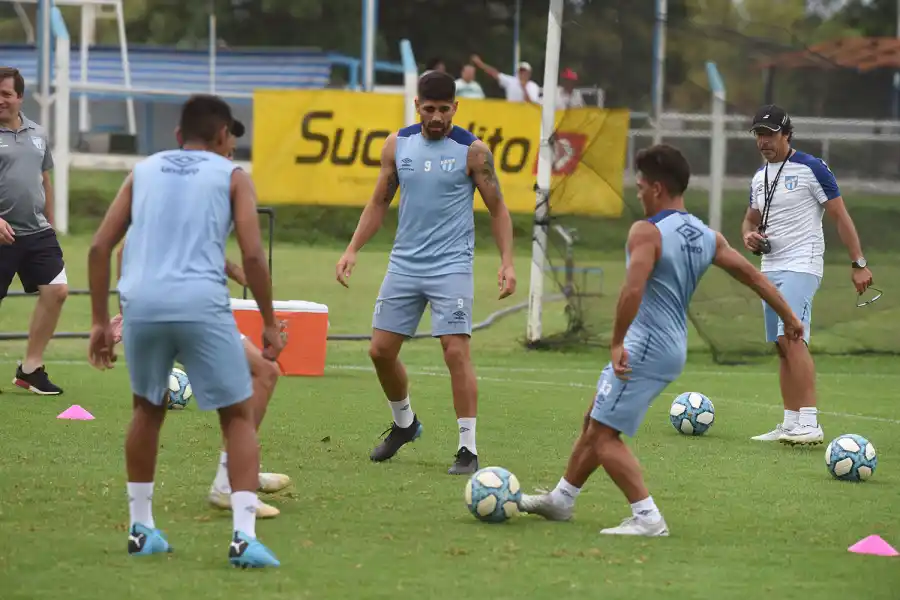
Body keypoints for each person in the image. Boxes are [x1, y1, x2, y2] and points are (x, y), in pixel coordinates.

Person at [519, 144, 803, 537]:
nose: (637, 194)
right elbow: (754, 277)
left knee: (604, 436)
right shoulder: (707, 236)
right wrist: (790, 316)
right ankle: (562, 499)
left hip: (645, 345)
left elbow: (631, 290)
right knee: (594, 419)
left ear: (655, 187)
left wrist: (617, 342)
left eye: (639, 187)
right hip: (670, 346)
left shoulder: (646, 232)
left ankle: (648, 518)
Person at [87, 94, 284, 568]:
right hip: (200, 303)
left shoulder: (144, 171)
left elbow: (99, 247)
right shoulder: (232, 175)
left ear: (178, 135)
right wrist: (270, 321)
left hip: (142, 303)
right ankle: (242, 537)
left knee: (147, 410)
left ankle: (141, 529)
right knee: (237, 415)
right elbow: (255, 256)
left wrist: (98, 321)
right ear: (223, 139)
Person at [335, 70, 516, 475]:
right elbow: (379, 202)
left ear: (456, 107)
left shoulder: (473, 152)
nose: (437, 117)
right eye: (429, 109)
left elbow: (499, 209)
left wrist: (506, 262)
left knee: (455, 349)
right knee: (380, 351)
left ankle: (467, 449)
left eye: (444, 110)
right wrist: (352, 249)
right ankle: (405, 424)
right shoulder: (397, 145)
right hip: (404, 263)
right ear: (417, 106)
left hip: (451, 265)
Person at [743, 105, 873, 446]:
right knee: (781, 345)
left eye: (770, 134)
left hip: (803, 263)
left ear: (787, 134)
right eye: (759, 134)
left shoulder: (812, 168)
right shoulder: (759, 177)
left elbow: (840, 216)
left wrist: (858, 263)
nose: (763, 141)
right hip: (769, 268)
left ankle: (810, 422)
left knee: (793, 336)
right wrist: (749, 236)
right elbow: (750, 219)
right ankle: (790, 422)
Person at [0, 66, 67, 395]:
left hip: (38, 233)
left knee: (57, 291)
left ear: (20, 97)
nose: (0, 101)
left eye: (5, 94)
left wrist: (51, 224)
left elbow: (45, 180)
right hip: (1, 233)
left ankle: (30, 369)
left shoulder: (39, 134)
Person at [470, 55, 540, 103]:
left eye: (525, 72)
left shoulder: (533, 86)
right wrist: (480, 64)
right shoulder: (511, 81)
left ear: (529, 74)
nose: (523, 74)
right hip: (510, 113)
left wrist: (524, 88)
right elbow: (494, 73)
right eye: (521, 72)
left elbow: (531, 104)